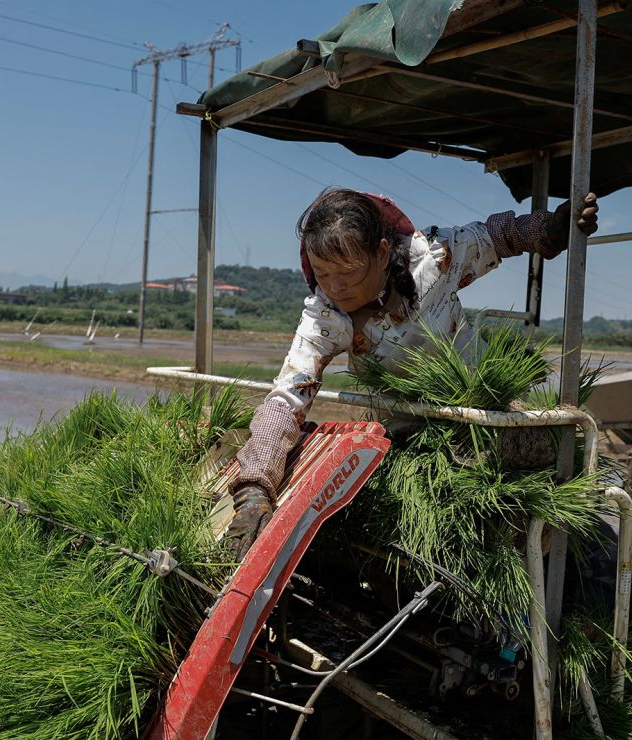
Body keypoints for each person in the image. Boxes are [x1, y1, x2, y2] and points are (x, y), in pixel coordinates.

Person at [223, 187, 599, 558]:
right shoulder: (325, 316)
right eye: (322, 274)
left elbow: (499, 235)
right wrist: (255, 487)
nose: (335, 287)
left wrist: (550, 229)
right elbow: (287, 399)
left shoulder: (434, 257)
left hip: (487, 408)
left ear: (383, 253)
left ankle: (536, 561)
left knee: (555, 452)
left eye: (348, 273)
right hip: (408, 434)